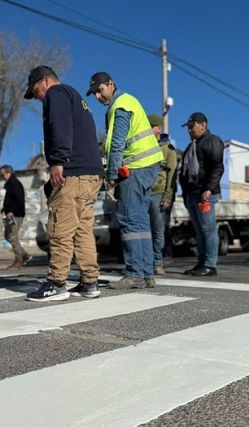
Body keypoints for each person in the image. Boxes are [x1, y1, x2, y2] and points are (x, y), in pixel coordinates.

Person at [23, 65, 104, 302]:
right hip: (91, 174)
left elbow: (59, 126)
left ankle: (57, 283)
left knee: (61, 227)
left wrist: (58, 160)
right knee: (82, 230)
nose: (37, 97)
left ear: (46, 81)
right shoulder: (76, 97)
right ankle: (90, 281)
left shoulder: (56, 94)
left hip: (73, 172)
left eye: (36, 90)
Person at [87, 72, 163, 289]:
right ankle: (146, 273)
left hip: (136, 167)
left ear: (111, 84)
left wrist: (111, 177)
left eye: (100, 91)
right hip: (147, 166)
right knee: (140, 222)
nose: (98, 97)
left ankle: (135, 273)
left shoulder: (121, 104)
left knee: (129, 219)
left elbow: (118, 143)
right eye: (94, 94)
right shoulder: (127, 101)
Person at [179, 112, 225, 277]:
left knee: (208, 229)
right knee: (199, 231)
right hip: (192, 194)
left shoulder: (212, 141)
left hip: (205, 194)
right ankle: (201, 264)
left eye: (192, 127)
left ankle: (210, 265)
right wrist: (185, 194)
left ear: (203, 125)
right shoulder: (192, 145)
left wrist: (209, 188)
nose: (189, 130)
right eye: (188, 128)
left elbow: (217, 167)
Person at [147, 114, 178, 276]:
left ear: (158, 128)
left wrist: (167, 196)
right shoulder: (145, 146)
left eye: (150, 126)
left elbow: (172, 174)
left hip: (159, 194)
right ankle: (145, 263)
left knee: (158, 231)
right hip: (145, 194)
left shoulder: (168, 150)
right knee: (145, 231)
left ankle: (157, 263)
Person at [0, 165, 31, 270]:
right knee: (8, 236)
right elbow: (10, 200)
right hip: (11, 215)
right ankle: (24, 255)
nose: (2, 176)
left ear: (9, 173)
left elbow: (18, 200)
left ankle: (19, 260)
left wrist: (11, 211)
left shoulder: (14, 183)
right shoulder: (10, 184)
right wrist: (5, 209)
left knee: (12, 237)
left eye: (3, 174)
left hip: (16, 215)